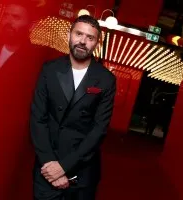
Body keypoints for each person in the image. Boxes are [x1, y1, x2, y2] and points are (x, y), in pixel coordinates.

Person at [30, 15, 116, 200]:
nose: (82, 41)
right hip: (47, 167)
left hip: (82, 172)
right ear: (70, 35)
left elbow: (99, 130)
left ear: (96, 43)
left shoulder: (106, 79)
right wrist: (50, 166)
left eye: (90, 38)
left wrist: (64, 167)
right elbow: (38, 118)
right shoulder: (50, 70)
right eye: (78, 34)